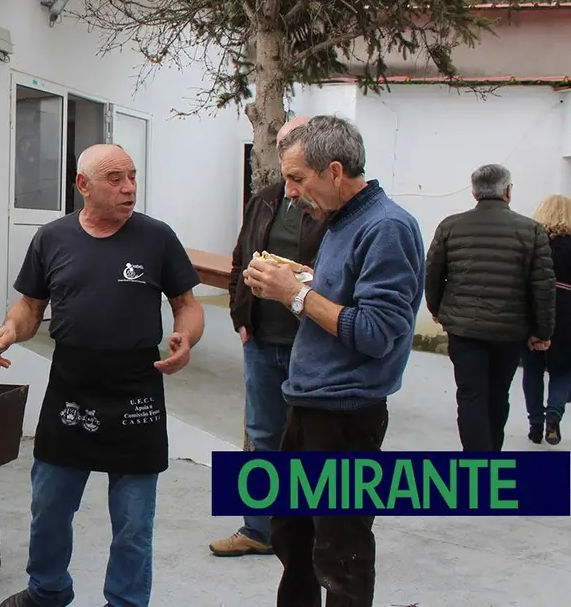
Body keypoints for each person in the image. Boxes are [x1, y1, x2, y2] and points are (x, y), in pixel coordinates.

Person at [0, 143, 205, 607]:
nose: (129, 188)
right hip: (72, 384)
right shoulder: (52, 238)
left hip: (136, 388)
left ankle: (125, 602)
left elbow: (186, 305)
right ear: (83, 185)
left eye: (132, 176)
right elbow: (29, 306)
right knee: (49, 507)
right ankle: (47, 592)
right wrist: (9, 331)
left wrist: (186, 337)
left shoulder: (157, 238)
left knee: (132, 522)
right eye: (115, 179)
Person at [243, 115, 424, 607]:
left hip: (346, 415)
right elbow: (349, 296)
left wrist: (297, 295)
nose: (292, 193)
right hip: (310, 405)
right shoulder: (342, 221)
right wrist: (306, 279)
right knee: (293, 537)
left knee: (339, 551)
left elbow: (377, 332)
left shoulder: (386, 227)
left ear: (335, 171)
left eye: (298, 179)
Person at [211, 115, 327, 558]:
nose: (287, 162)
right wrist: (241, 314)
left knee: (313, 438)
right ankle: (257, 530)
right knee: (262, 434)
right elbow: (241, 258)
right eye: (284, 151)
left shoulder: (331, 208)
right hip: (262, 338)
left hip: (312, 339)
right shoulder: (264, 200)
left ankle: (314, 534)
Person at [424, 163, 555, 451]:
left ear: (474, 192)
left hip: (464, 330)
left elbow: (433, 272)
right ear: (508, 192)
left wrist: (437, 309)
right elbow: (542, 286)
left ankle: (476, 463)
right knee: (498, 395)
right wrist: (542, 330)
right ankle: (491, 457)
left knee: (470, 396)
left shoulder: (450, 226)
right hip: (509, 333)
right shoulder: (532, 230)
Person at [522, 194, 571, 445]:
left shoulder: (533, 241)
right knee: (563, 369)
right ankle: (554, 414)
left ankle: (535, 423)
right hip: (567, 311)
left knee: (533, 368)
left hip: (535, 306)